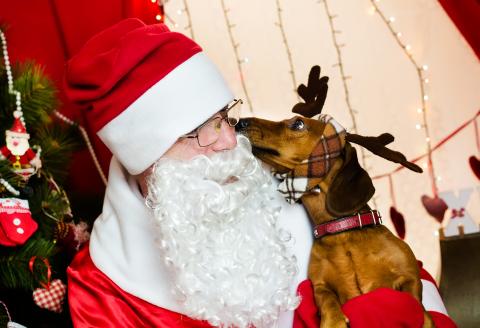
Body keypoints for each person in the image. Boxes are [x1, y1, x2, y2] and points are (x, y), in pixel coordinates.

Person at [64, 18, 456, 327]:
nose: (230, 143)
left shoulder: (301, 189)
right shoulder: (105, 285)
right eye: (196, 134)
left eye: (222, 119)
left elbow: (404, 274)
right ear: (147, 156)